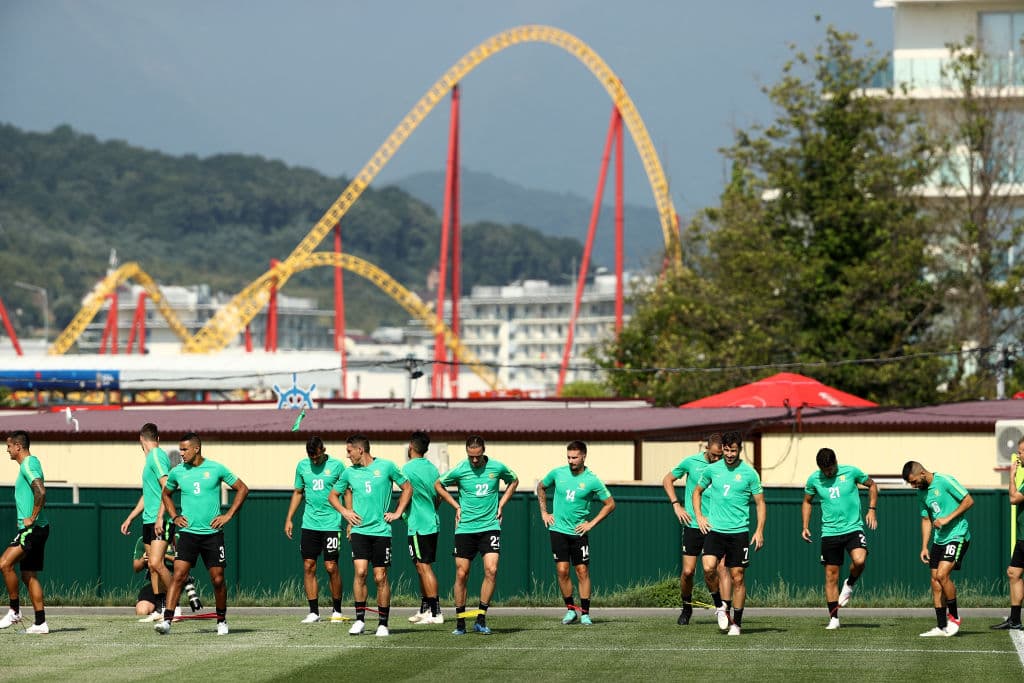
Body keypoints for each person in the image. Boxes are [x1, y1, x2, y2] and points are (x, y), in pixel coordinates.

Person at [154, 432, 249, 636]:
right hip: (187, 533)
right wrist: (174, 515)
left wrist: (228, 515)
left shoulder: (216, 468)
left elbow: (242, 488)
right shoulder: (178, 472)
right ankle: (167, 621)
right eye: (180, 449)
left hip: (213, 534)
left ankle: (221, 620)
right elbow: (166, 494)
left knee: (217, 579)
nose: (181, 453)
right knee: (178, 575)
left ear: (196, 448)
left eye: (185, 449)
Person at [434, 435, 519, 636]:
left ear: (483, 452)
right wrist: (456, 506)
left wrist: (501, 504)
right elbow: (438, 484)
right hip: (465, 529)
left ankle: (481, 618)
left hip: (490, 526)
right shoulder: (460, 469)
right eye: (471, 456)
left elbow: (514, 481)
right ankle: (460, 622)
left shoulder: (497, 467)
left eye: (477, 456)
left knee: (491, 570)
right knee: (462, 573)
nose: (474, 460)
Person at [328, 434, 412, 637]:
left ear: (360, 450)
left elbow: (407, 487)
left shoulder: (386, 467)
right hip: (359, 531)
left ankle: (383, 623)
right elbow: (332, 495)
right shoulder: (349, 473)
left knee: (380, 576)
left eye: (349, 451)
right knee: (360, 573)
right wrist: (345, 512)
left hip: (381, 531)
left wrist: (398, 512)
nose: (347, 456)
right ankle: (360, 620)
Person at [692, 431, 765, 636]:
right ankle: (720, 606)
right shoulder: (712, 470)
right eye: (726, 449)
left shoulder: (749, 473)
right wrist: (699, 516)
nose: (730, 454)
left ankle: (736, 624)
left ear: (740, 449)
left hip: (739, 532)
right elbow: (696, 492)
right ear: (722, 449)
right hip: (715, 530)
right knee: (708, 568)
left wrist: (759, 530)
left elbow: (760, 503)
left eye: (733, 450)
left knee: (738, 577)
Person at [537, 440, 615, 626]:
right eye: (568, 457)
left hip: (579, 532)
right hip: (557, 530)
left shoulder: (592, 480)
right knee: (562, 571)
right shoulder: (558, 473)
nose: (571, 461)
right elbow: (541, 486)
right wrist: (544, 512)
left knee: (582, 570)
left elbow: (610, 504)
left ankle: (586, 613)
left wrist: (591, 523)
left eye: (574, 457)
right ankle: (571, 610)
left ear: (583, 457)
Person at [801, 447, 878, 630]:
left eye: (830, 469)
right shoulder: (814, 479)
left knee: (859, 561)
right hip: (829, 532)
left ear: (836, 462)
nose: (828, 473)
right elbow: (807, 501)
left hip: (853, 527)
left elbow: (872, 485)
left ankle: (850, 583)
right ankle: (834, 618)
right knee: (831, 576)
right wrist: (805, 526)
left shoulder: (851, 472)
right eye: (824, 470)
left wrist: (872, 509)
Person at [662, 433, 733, 626]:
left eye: (721, 456)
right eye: (715, 455)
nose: (718, 459)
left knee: (715, 569)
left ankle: (721, 607)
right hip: (693, 525)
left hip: (716, 526)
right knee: (687, 572)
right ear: (707, 449)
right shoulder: (690, 462)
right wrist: (676, 504)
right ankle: (686, 607)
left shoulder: (726, 467)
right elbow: (667, 480)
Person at [902, 460, 973, 637]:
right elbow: (926, 520)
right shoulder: (921, 494)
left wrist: (947, 519)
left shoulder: (944, 481)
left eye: (914, 481)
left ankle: (955, 618)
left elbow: (968, 501)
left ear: (922, 474)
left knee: (942, 575)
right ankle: (942, 627)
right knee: (935, 582)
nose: (913, 486)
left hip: (958, 535)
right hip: (939, 540)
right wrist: (924, 546)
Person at [284, 436, 347, 624]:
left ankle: (337, 610)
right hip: (309, 524)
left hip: (331, 524)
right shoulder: (302, 466)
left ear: (323, 450)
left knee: (331, 566)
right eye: (310, 456)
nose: (313, 460)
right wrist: (289, 518)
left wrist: (349, 518)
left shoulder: (337, 466)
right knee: (308, 566)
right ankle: (313, 612)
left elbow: (347, 491)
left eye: (316, 456)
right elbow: (298, 492)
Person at [119, 423, 175, 619]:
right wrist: (131, 517)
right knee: (152, 566)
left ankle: (173, 606)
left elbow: (167, 485)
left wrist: (161, 516)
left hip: (159, 520)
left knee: (157, 563)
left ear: (141, 439)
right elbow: (148, 494)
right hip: (148, 520)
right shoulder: (150, 459)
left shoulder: (156, 456)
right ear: (157, 438)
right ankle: (160, 609)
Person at [0, 430, 50, 634]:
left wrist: (32, 517)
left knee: (5, 563)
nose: (7, 449)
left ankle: (14, 611)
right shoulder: (30, 463)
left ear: (18, 447)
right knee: (29, 575)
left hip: (33, 529)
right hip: (37, 528)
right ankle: (40, 623)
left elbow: (41, 490)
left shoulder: (28, 464)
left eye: (9, 446)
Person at [401, 431, 444, 625]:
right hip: (431, 522)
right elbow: (440, 495)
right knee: (421, 566)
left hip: (418, 524)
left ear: (411, 446)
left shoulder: (407, 469)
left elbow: (406, 493)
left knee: (424, 567)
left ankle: (436, 612)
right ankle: (425, 608)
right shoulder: (433, 469)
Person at [993, 437, 1024, 630]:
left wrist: (1011, 476)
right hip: (1023, 538)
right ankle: (1014, 619)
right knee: (1013, 573)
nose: (1019, 457)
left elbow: (1013, 499)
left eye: (1021, 452)